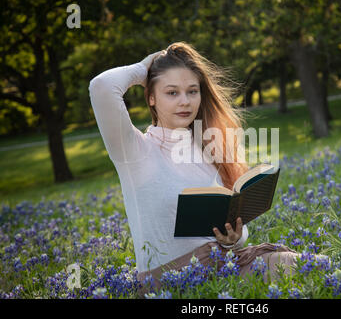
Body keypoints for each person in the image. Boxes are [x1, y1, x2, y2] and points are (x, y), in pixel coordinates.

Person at [89, 42, 300, 297]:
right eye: (172, 92)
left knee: (305, 265)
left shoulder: (208, 149)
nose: (185, 102)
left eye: (192, 91)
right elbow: (101, 87)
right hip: (169, 283)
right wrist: (144, 68)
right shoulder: (135, 152)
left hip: (222, 267)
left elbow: (235, 223)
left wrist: (233, 238)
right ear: (151, 97)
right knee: (291, 268)